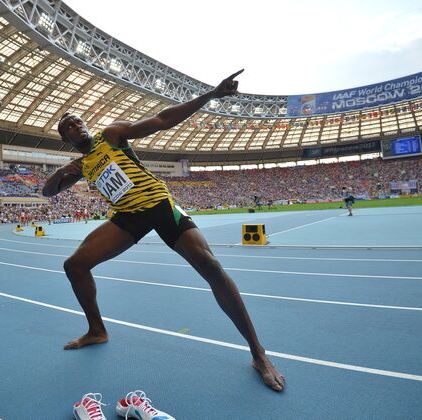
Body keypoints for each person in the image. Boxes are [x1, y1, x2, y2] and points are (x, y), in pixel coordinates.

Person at [42, 70, 285, 392]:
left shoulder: (111, 135)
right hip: (128, 216)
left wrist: (211, 95)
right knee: (74, 265)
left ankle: (258, 353)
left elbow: (160, 119)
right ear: (66, 139)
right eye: (68, 128)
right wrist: (61, 171)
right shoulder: (81, 166)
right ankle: (97, 330)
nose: (75, 126)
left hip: (158, 204)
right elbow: (48, 193)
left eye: (77, 121)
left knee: (211, 267)